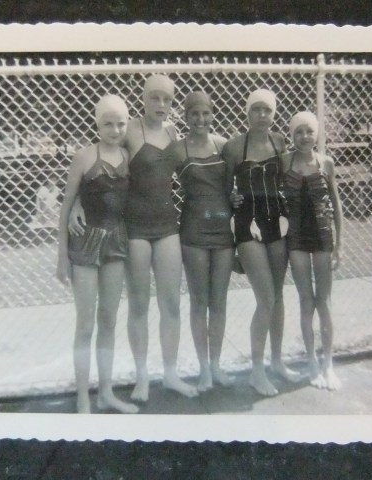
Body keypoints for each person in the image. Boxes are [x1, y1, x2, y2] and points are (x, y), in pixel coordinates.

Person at [69, 75, 197, 401]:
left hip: (167, 226)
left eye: (167, 99)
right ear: (143, 98)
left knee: (171, 303)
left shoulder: (173, 132)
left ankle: (170, 374)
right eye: (155, 97)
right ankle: (142, 379)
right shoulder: (128, 131)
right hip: (135, 228)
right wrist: (79, 203)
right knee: (139, 305)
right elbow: (99, 168)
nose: (161, 105)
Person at [56, 94, 138, 414]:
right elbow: (66, 205)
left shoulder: (128, 156)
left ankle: (106, 392)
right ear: (97, 124)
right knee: (86, 324)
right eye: (108, 123)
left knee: (109, 320)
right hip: (85, 242)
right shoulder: (84, 156)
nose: (115, 130)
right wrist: (62, 257)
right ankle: (82, 397)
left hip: (116, 241)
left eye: (120, 124)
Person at [222, 88, 300, 396]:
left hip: (276, 222)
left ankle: (277, 362)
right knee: (265, 298)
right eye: (256, 109)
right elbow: (223, 192)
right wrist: (231, 199)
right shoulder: (233, 147)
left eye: (267, 110)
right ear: (247, 112)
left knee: (277, 297)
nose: (262, 115)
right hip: (247, 225)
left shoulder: (279, 142)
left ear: (274, 113)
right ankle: (256, 371)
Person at [166, 91, 234, 392]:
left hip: (223, 230)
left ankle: (216, 365)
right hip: (193, 230)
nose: (201, 119)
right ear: (186, 116)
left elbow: (235, 184)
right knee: (199, 301)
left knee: (219, 300)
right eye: (194, 113)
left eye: (206, 113)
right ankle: (203, 368)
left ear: (212, 114)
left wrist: (236, 199)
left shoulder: (224, 146)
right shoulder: (177, 150)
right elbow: (152, 179)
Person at [281, 112, 343, 390]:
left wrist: (339, 245)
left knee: (324, 302)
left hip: (322, 235)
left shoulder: (326, 163)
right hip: (295, 238)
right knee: (306, 301)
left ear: (316, 134)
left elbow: (337, 206)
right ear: (292, 136)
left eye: (309, 131)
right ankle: (312, 362)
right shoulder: (285, 162)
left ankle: (328, 363)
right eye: (299, 132)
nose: (304, 137)